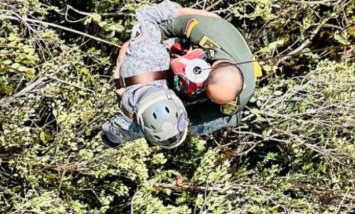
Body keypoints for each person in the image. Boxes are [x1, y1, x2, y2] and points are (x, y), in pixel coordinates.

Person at [100, 0, 190, 149]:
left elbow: (147, 15)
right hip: (137, 73)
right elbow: (112, 134)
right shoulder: (130, 118)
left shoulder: (148, 57)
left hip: (153, 47)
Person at [160, 5, 261, 136]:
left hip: (226, 108)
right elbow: (168, 26)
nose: (212, 100)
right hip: (212, 32)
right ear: (208, 70)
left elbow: (198, 115)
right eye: (209, 94)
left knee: (181, 126)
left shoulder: (239, 99)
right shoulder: (206, 32)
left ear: (243, 87)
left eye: (213, 98)